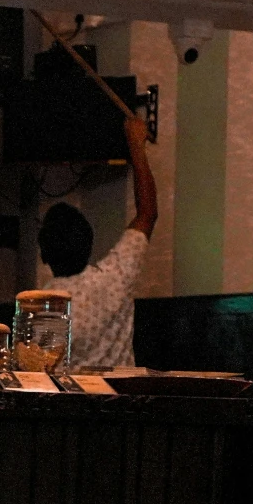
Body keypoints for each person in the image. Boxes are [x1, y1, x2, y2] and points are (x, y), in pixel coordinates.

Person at [38, 114, 158, 371]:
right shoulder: (116, 277)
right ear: (90, 245)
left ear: (43, 254)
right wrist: (136, 144)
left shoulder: (40, 306)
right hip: (121, 405)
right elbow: (147, 213)